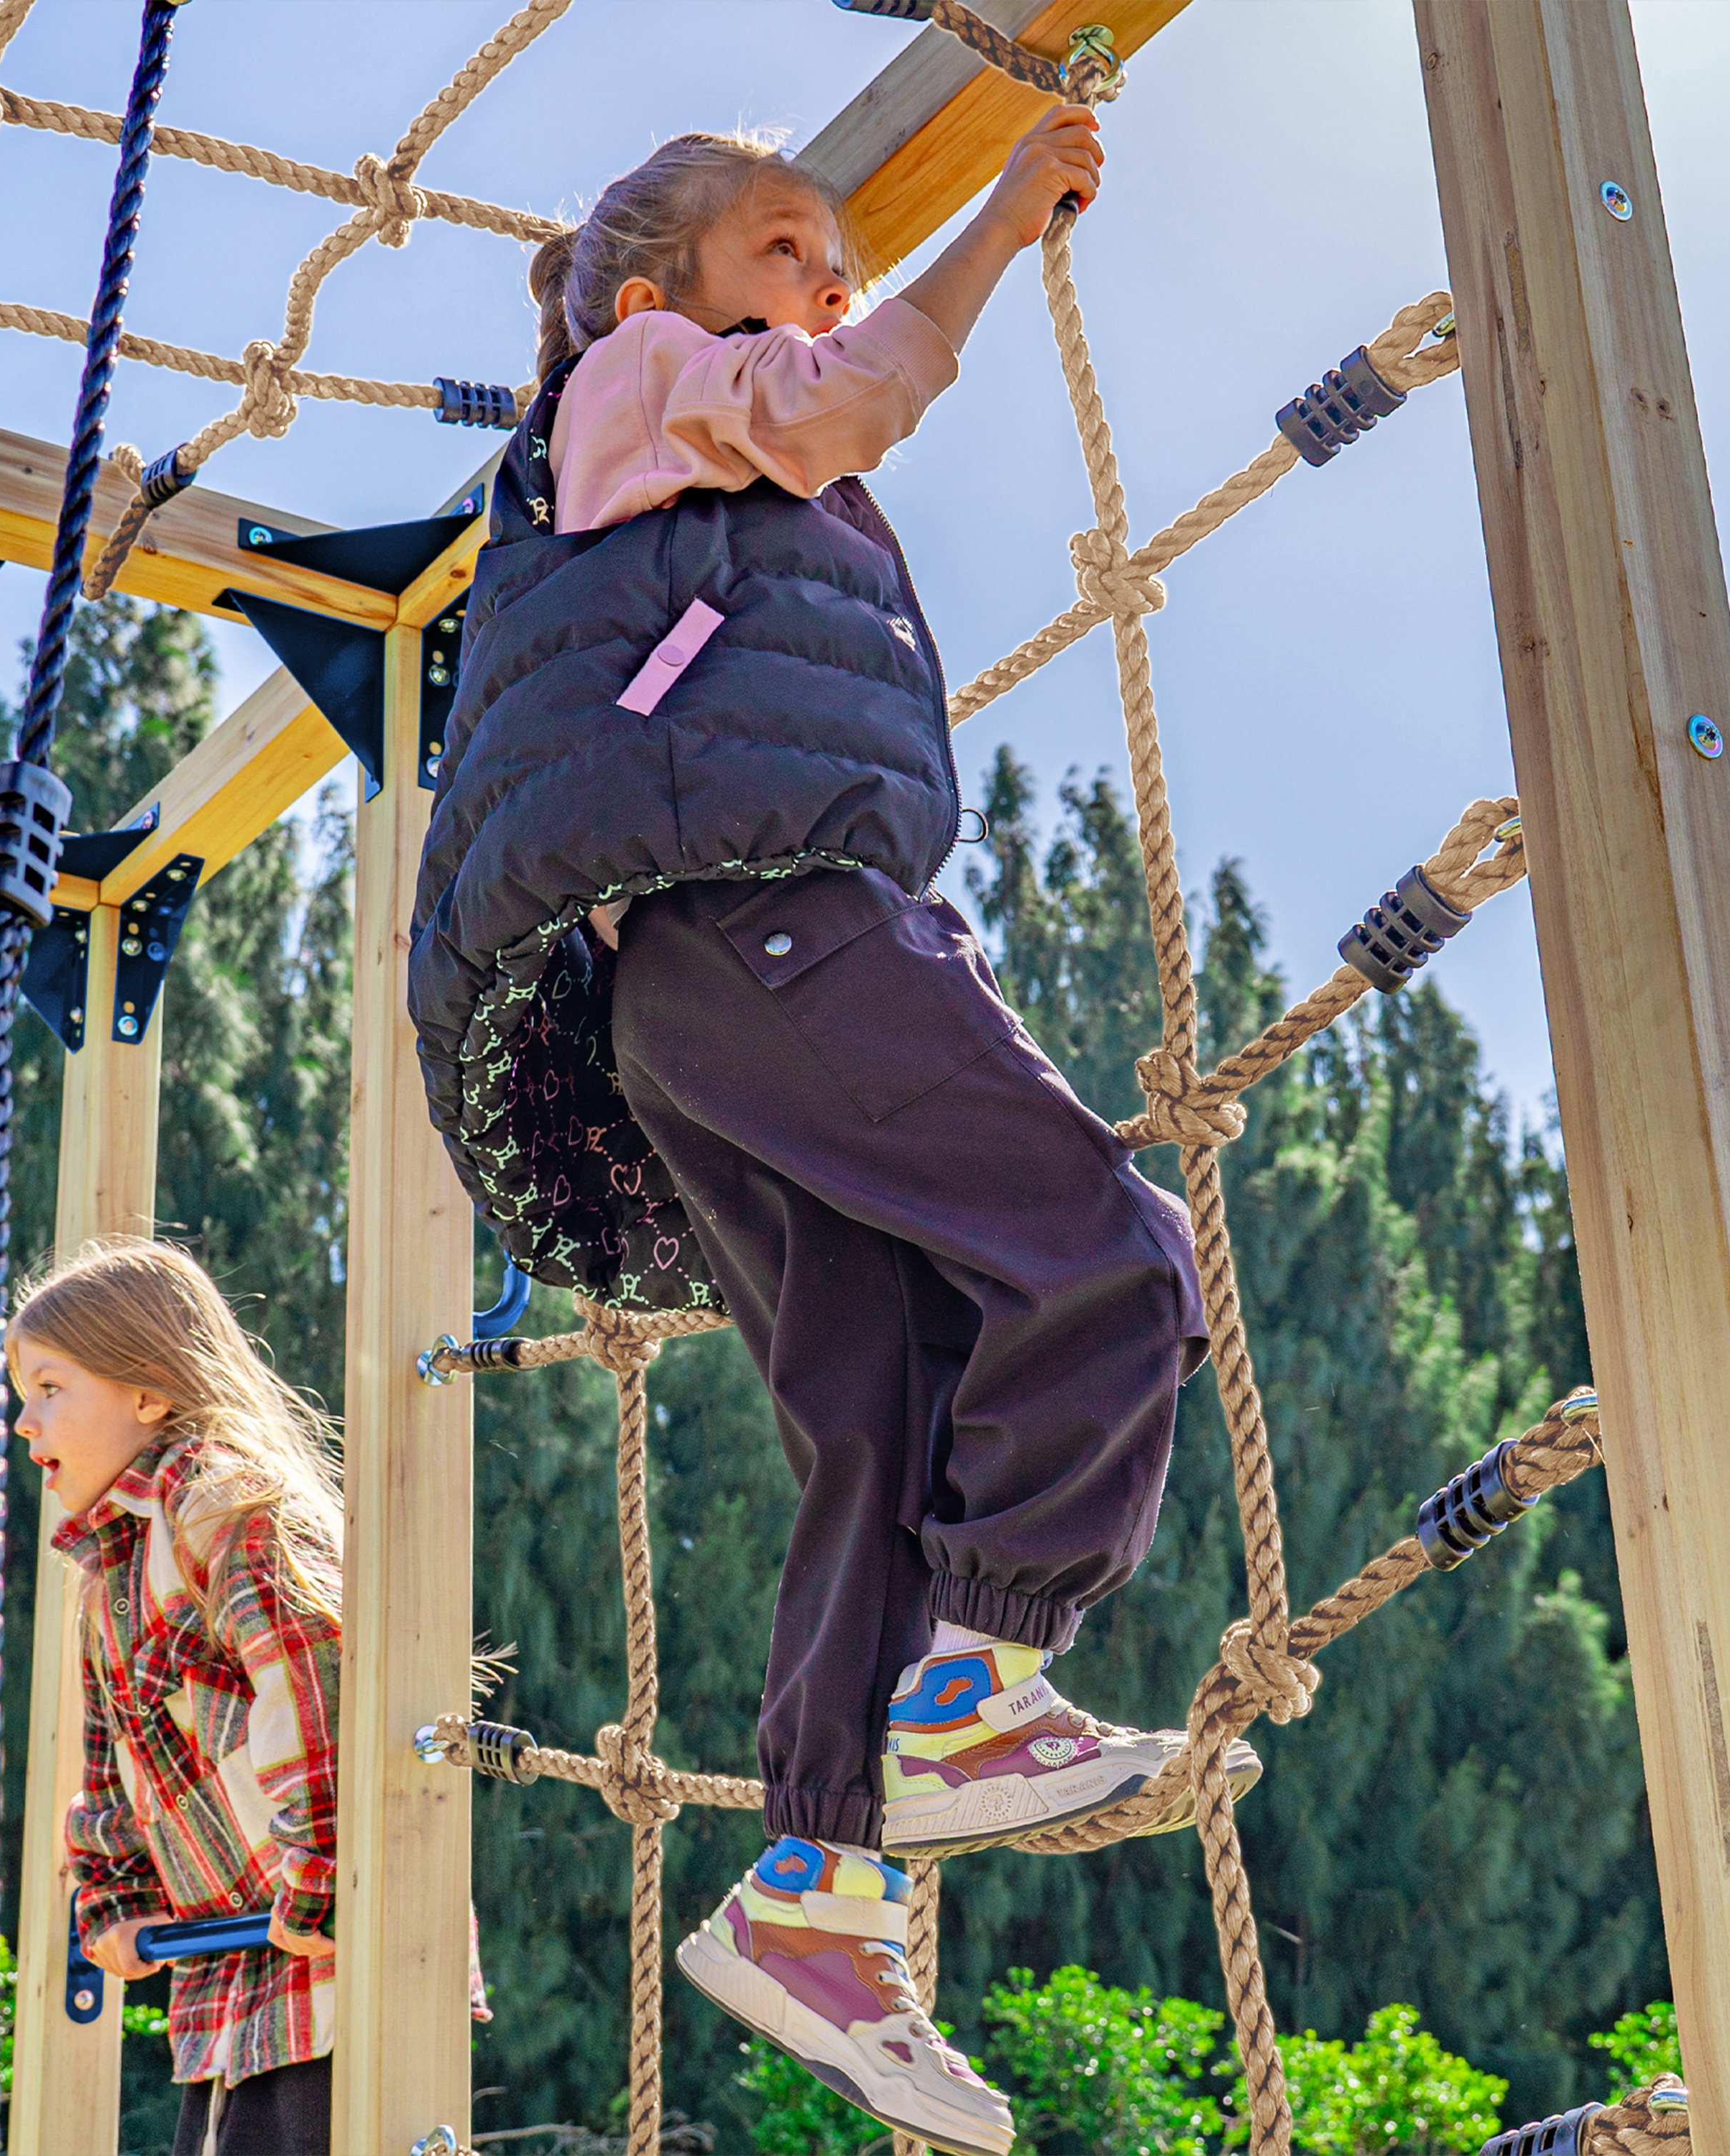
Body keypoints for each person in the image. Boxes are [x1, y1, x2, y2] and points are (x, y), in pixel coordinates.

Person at [408, 109, 1256, 2154]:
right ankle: (980, 1684)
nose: (828, 281)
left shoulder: (665, 473)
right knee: (1108, 1254)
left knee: (880, 1418)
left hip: (690, 1004)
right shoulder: (632, 384)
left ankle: (818, 1891)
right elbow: (848, 390)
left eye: (835, 250)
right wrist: (998, 218)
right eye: (788, 246)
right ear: (649, 296)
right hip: (769, 923)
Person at [15, 1239, 376, 2156]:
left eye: (50, 1389)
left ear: (147, 1392)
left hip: (335, 1977)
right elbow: (109, 1768)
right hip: (227, 1986)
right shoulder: (109, 1572)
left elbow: (309, 1682)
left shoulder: (219, 1508)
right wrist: (114, 1898)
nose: (26, 1424)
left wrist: (324, 1882)